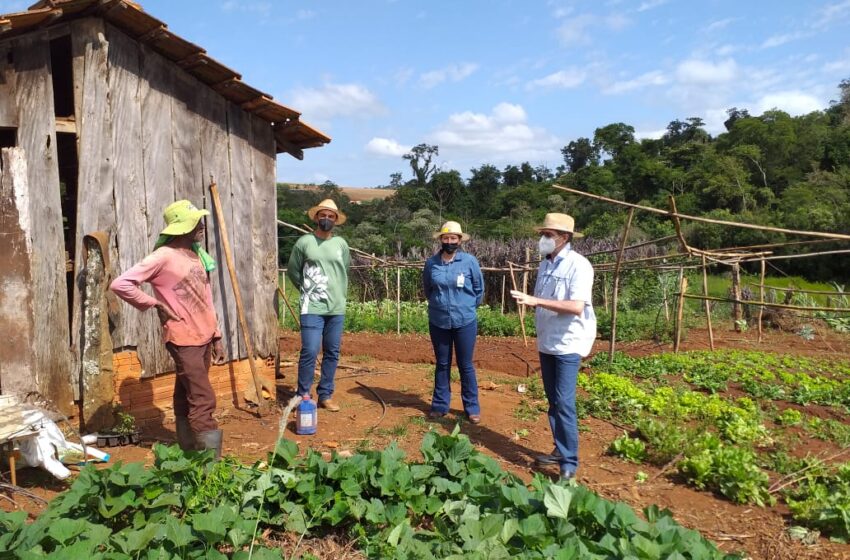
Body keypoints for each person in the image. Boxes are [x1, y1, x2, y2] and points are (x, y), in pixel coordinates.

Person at [110, 200, 225, 457]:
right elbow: (121, 284)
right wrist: (155, 304)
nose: (202, 226)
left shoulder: (196, 254)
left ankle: (188, 451)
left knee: (187, 392)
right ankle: (209, 465)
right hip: (183, 337)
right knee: (203, 397)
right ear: (183, 227)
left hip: (204, 334)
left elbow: (206, 299)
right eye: (196, 222)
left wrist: (216, 336)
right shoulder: (163, 256)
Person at [511, 213, 596, 481]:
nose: (543, 239)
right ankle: (560, 450)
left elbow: (575, 306)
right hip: (548, 341)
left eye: (548, 235)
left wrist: (535, 301)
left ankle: (569, 462)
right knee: (553, 400)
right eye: (543, 234)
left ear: (564, 238)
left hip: (569, 341)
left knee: (564, 402)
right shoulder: (545, 265)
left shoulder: (578, 266)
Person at [287, 199, 350, 412]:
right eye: (323, 215)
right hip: (312, 307)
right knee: (310, 350)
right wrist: (306, 289)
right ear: (316, 218)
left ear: (335, 220)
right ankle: (302, 394)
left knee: (332, 351)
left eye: (331, 216)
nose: (326, 219)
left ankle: (326, 394)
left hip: (336, 308)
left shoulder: (341, 244)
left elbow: (344, 270)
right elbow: (294, 270)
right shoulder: (305, 242)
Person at [422, 221, 485, 424]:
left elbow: (479, 289)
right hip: (438, 320)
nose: (450, 241)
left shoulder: (469, 262)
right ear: (441, 239)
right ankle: (440, 405)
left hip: (465, 321)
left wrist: (466, 307)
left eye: (453, 238)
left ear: (459, 240)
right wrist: (440, 305)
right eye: (446, 238)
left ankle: (472, 407)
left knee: (465, 365)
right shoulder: (432, 263)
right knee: (442, 363)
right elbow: (428, 289)